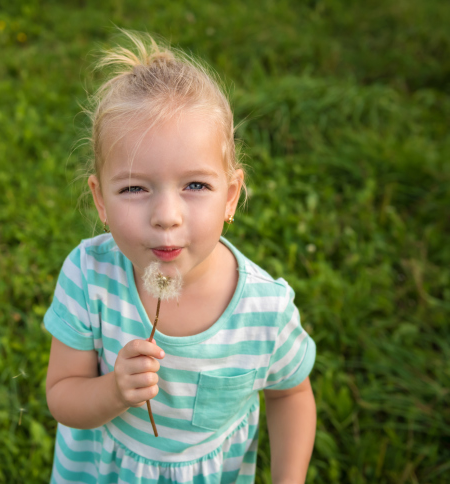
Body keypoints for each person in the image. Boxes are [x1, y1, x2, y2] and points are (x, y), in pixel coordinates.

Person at [44, 31, 316, 484]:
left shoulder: (264, 310)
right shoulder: (89, 276)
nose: (166, 217)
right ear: (100, 201)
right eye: (134, 188)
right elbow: (62, 395)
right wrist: (113, 391)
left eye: (195, 186)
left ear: (230, 197)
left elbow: (290, 395)